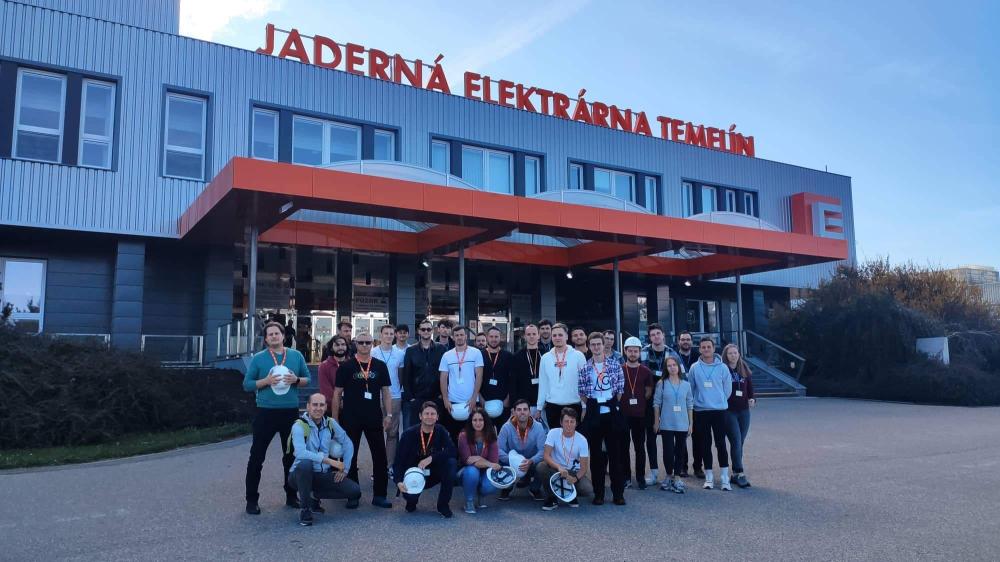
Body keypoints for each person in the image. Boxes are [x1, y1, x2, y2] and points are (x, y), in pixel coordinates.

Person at [242, 322, 311, 515]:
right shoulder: (259, 359)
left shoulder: (296, 356)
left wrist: (296, 380)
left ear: (283, 336)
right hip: (265, 412)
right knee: (257, 457)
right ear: (265, 339)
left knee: (290, 457)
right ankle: (251, 500)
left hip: (289, 412)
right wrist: (266, 381)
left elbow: (308, 379)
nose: (274, 336)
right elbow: (247, 384)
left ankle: (291, 495)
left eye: (277, 333)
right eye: (270, 334)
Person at [331, 333, 394, 508]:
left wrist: (388, 415)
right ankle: (353, 494)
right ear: (355, 344)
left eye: (368, 342)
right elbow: (337, 394)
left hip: (374, 417)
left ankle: (380, 495)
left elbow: (386, 392)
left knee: (380, 457)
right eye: (361, 342)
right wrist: (335, 420)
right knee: (350, 456)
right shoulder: (346, 366)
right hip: (351, 418)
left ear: (372, 344)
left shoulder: (380, 366)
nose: (365, 345)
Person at [288, 393, 362, 526]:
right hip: (299, 476)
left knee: (354, 490)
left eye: (321, 405)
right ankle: (305, 509)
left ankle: (313, 496)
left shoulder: (330, 423)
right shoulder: (299, 426)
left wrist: (345, 469)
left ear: (326, 406)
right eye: (315, 405)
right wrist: (329, 461)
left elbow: (347, 443)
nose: (318, 408)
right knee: (305, 464)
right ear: (308, 407)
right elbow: (300, 453)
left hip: (321, 475)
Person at [577, 332, 626, 506]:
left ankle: (618, 494)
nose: (596, 347)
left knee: (615, 456)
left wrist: (610, 403)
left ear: (604, 345)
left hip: (612, 414)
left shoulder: (615, 365)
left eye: (599, 344)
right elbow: (582, 392)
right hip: (594, 415)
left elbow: (620, 389)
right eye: (594, 345)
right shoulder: (585, 368)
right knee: (597, 457)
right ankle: (599, 494)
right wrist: (594, 404)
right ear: (589, 347)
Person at [393, 401, 458, 518]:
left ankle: (443, 505)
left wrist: (431, 458)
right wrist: (398, 481)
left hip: (433, 473)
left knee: (451, 463)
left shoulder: (441, 430)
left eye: (433, 414)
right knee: (411, 500)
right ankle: (411, 501)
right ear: (420, 416)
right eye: (426, 413)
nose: (429, 416)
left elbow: (452, 450)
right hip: (413, 474)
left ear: (437, 417)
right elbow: (398, 461)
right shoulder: (408, 434)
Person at [688, 337, 733, 490]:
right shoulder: (694, 367)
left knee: (721, 444)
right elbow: (691, 388)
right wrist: (698, 402)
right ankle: (709, 476)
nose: (706, 349)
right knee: (705, 444)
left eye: (709, 347)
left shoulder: (723, 368)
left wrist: (718, 401)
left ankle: (725, 476)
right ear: (699, 349)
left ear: (714, 349)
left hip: (719, 411)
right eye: (703, 347)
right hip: (701, 411)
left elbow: (727, 390)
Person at [640, 323, 680, 483]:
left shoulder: (672, 353)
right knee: (650, 438)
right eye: (653, 334)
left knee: (669, 438)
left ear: (663, 335)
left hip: (668, 400)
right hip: (649, 400)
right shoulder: (643, 352)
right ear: (649, 337)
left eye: (658, 333)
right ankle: (654, 472)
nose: (656, 337)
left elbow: (681, 375)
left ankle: (671, 473)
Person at [652, 356, 693, 493]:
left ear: (679, 367)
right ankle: (669, 475)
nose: (672, 368)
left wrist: (690, 424)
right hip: (667, 423)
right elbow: (656, 403)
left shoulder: (686, 385)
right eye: (669, 366)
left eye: (674, 365)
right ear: (666, 368)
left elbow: (689, 405)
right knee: (668, 451)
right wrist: (656, 421)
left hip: (682, 423)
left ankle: (677, 477)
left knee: (680, 451)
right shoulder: (661, 383)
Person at [539, 407, 593, 510]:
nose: (569, 424)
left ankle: (571, 495)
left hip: (572, 472)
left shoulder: (582, 440)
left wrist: (575, 478)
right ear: (561, 422)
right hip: (555, 469)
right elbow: (546, 456)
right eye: (566, 421)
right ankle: (552, 498)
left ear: (576, 423)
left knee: (587, 489)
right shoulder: (553, 433)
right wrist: (559, 467)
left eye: (572, 422)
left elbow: (583, 468)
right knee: (541, 467)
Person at [536, 323, 588, 429]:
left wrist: (584, 406)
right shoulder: (545, 358)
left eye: (560, 335)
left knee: (573, 441)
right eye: (554, 335)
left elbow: (584, 383)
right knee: (556, 441)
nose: (557, 338)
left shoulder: (578, 356)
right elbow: (543, 383)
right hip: (552, 406)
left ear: (567, 336)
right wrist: (539, 407)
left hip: (574, 405)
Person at [439, 325, 484, 444]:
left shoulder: (476, 353)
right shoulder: (447, 355)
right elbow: (443, 377)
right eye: (457, 335)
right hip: (453, 402)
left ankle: (472, 461)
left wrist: (474, 397)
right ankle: (456, 460)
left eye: (462, 335)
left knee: (473, 435)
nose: (459, 337)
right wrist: (445, 399)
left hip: (471, 401)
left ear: (466, 336)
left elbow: (479, 375)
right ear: (453, 337)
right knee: (453, 435)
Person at [619, 336, 653, 490]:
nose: (633, 353)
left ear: (640, 352)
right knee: (624, 448)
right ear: (625, 351)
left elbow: (648, 391)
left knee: (640, 447)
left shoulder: (645, 371)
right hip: (623, 415)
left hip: (640, 415)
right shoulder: (620, 369)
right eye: (630, 351)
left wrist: (638, 401)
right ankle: (626, 477)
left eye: (635, 351)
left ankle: (640, 477)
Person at [496, 399, 547, 501]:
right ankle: (507, 487)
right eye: (519, 410)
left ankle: (534, 488)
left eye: (525, 409)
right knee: (500, 460)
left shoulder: (538, 427)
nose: (522, 412)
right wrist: (512, 460)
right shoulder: (506, 427)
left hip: (531, 461)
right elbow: (498, 449)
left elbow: (543, 450)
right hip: (512, 460)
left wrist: (531, 461)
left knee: (544, 463)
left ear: (529, 411)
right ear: (514, 412)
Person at [400, 319, 446, 430]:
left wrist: (442, 395)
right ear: (419, 331)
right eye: (423, 329)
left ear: (432, 331)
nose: (426, 331)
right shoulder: (411, 350)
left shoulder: (441, 349)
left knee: (436, 430)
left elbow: (445, 373)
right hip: (417, 398)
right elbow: (406, 375)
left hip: (436, 398)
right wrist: (410, 397)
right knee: (415, 431)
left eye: (428, 329)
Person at [373, 324, 406, 479]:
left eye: (391, 333)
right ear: (380, 335)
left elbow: (400, 375)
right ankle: (378, 467)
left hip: (394, 396)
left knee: (392, 434)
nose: (388, 336)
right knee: (377, 433)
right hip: (375, 397)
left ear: (394, 335)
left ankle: (389, 466)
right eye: (385, 333)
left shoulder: (399, 354)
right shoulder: (373, 352)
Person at [722, 343, 755, 488]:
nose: (733, 355)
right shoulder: (723, 370)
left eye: (735, 353)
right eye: (730, 353)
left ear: (739, 354)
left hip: (744, 411)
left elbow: (749, 386)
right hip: (729, 411)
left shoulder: (744, 368)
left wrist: (752, 398)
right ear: (726, 355)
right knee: (736, 440)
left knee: (740, 441)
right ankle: (739, 472)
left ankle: (735, 474)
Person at [457, 408, 501, 514]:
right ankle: (469, 501)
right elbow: (467, 460)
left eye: (480, 420)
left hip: (485, 470)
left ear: (485, 421)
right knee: (472, 471)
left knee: (491, 486)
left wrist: (479, 459)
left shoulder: (491, 436)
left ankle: (481, 494)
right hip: (466, 472)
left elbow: (494, 462)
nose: (478, 423)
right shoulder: (463, 436)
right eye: (474, 420)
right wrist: (487, 463)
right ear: (470, 422)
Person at [481, 326, 513, 432]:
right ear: (487, 337)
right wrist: (480, 399)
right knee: (486, 434)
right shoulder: (479, 355)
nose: (494, 339)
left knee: (503, 433)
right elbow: (475, 378)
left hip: (503, 402)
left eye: (496, 336)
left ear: (501, 337)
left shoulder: (508, 356)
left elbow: (512, 379)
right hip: (484, 401)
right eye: (491, 336)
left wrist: (508, 399)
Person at [510, 324, 543, 422]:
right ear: (524, 336)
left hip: (542, 404)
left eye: (534, 334)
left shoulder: (546, 355)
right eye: (528, 334)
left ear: (538, 336)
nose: (531, 336)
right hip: (523, 405)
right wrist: (513, 405)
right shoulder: (516, 356)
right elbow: (513, 382)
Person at [318, 335, 349, 414]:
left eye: (343, 344)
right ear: (331, 348)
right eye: (337, 345)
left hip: (351, 408)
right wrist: (339, 402)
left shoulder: (353, 364)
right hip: (330, 409)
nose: (340, 347)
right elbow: (325, 389)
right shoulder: (324, 366)